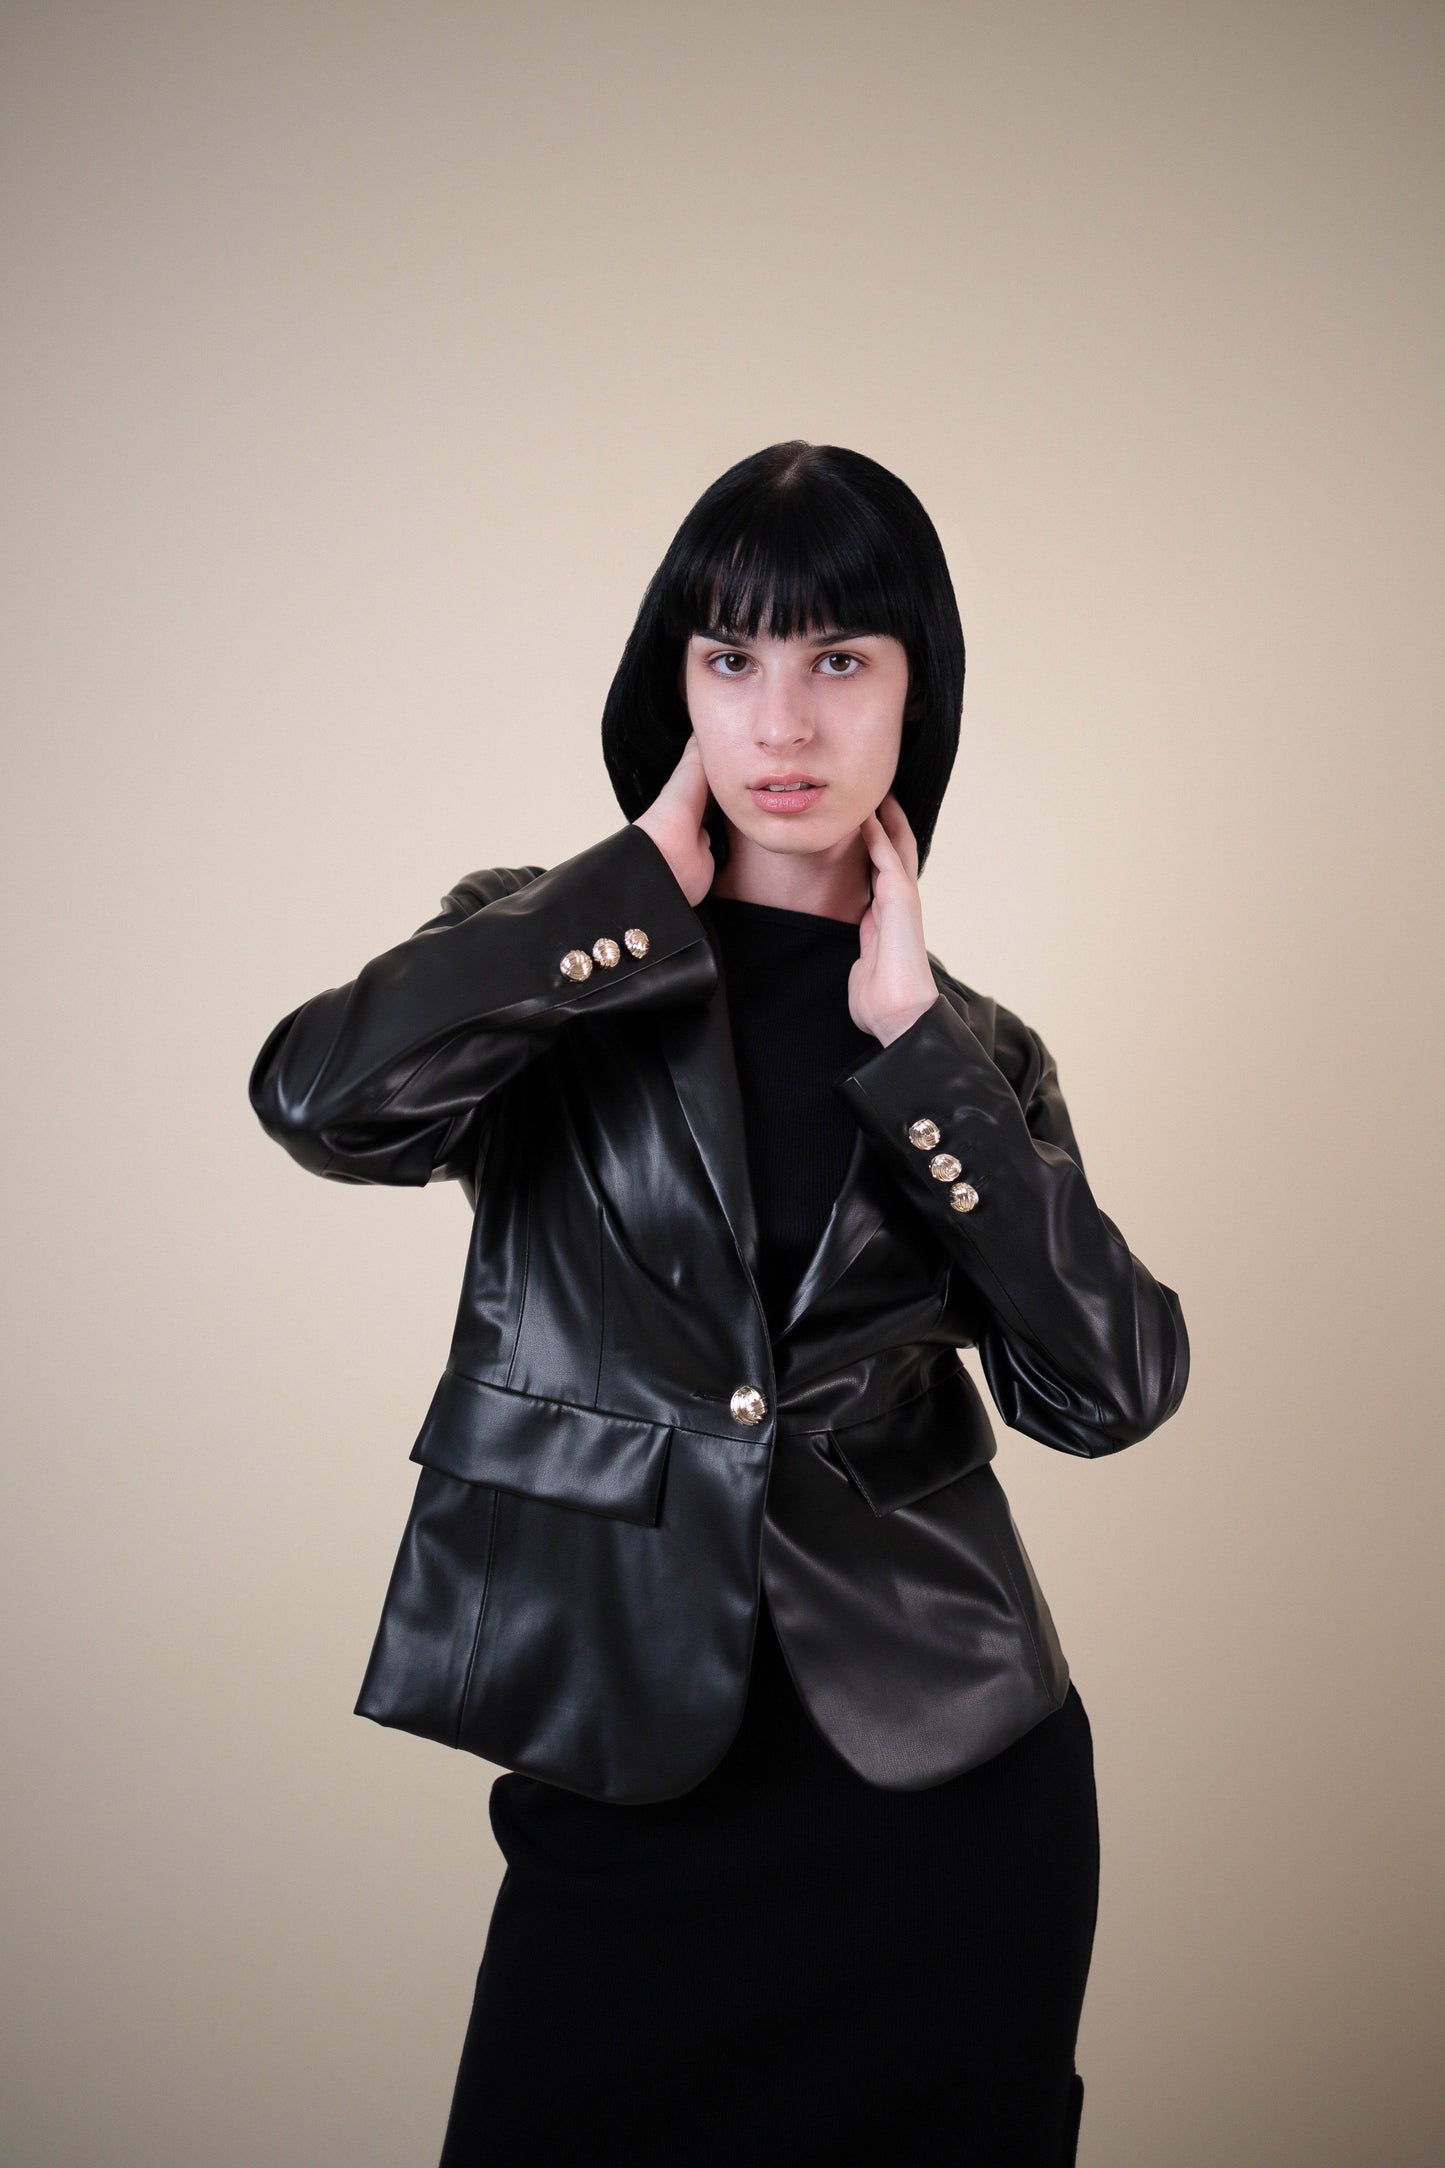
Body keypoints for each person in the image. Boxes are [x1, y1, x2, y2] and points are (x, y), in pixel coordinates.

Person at [249, 440, 1189, 2165]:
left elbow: (1109, 1390)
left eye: (839, 660)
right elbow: (319, 1104)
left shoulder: (975, 1055)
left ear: (915, 695)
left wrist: (918, 1060)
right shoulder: (548, 955)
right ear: (674, 684)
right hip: (621, 1761)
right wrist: (616, 897)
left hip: (944, 1786)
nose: (782, 722)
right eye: (731, 658)